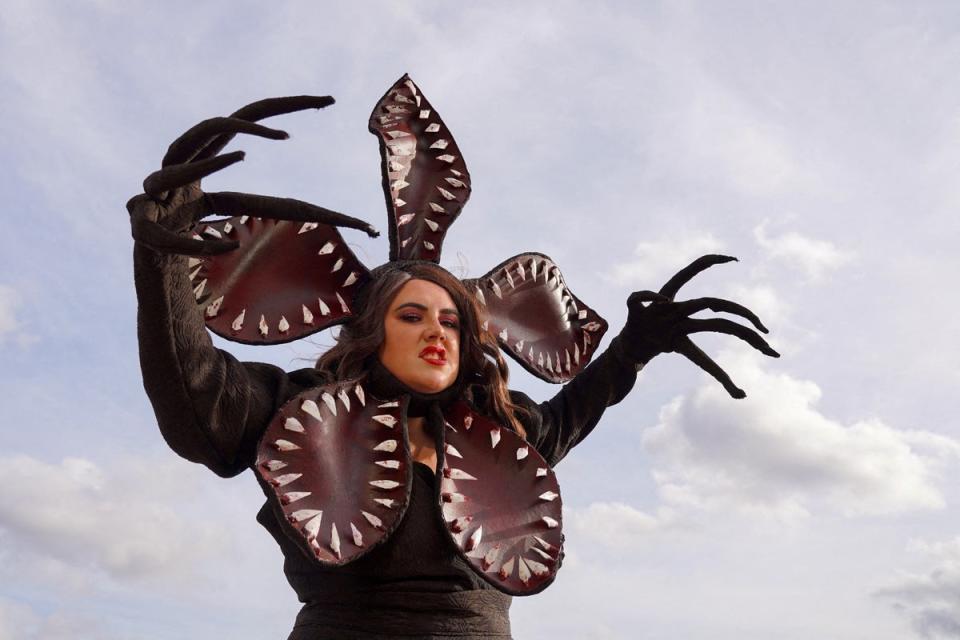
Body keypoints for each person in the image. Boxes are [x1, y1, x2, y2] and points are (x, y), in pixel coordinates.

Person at [128, 76, 778, 640]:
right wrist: (161, 259)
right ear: (370, 328)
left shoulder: (502, 430)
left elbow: (578, 408)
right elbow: (193, 391)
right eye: (411, 315)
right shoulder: (300, 412)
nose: (437, 331)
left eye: (451, 320)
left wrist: (633, 349)